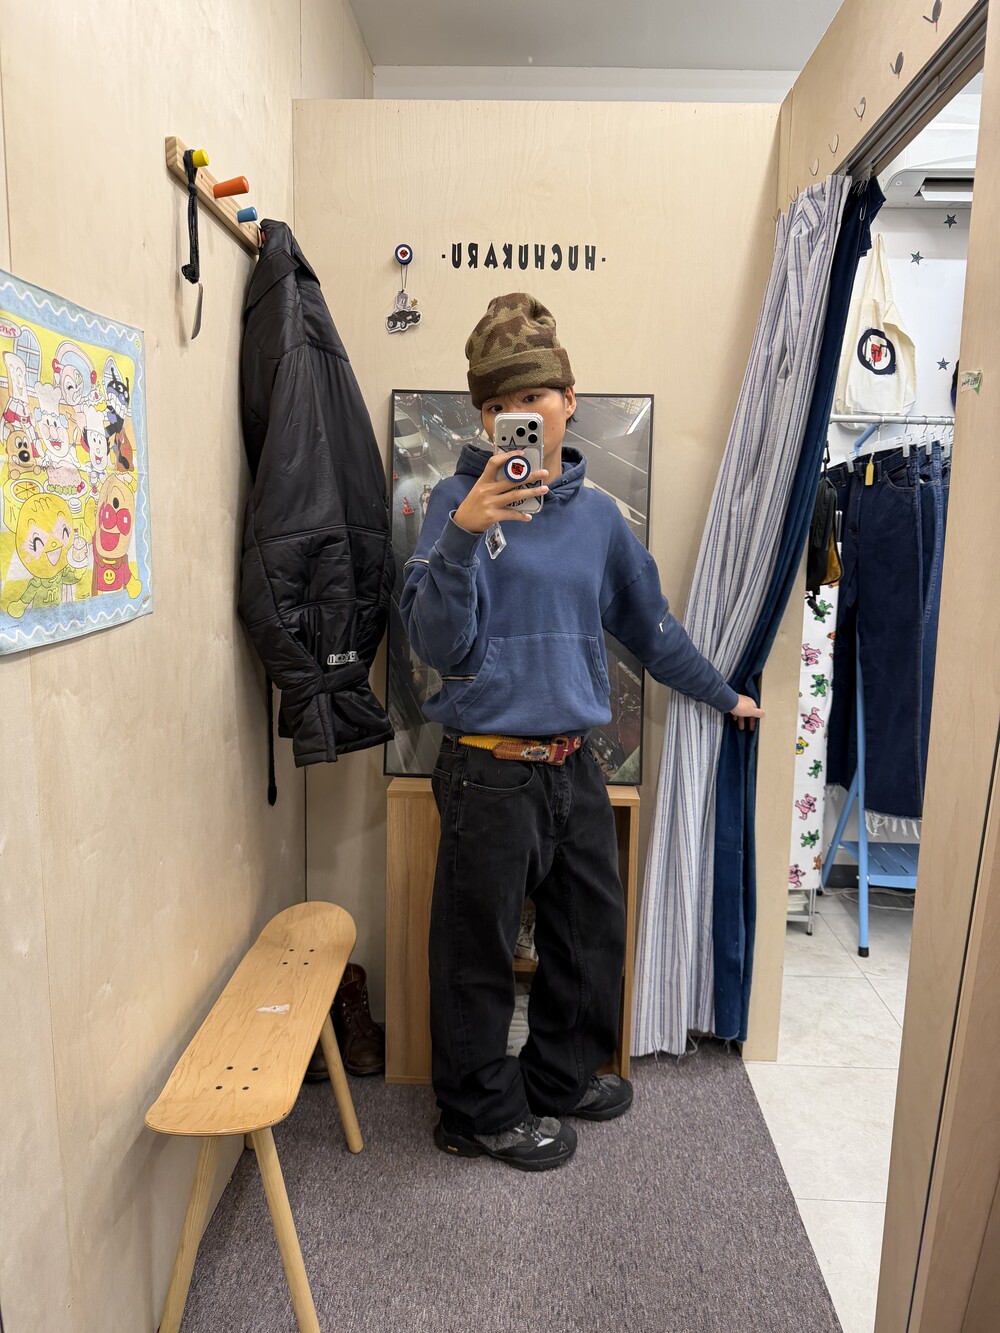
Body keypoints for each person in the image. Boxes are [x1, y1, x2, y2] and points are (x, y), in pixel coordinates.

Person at [400, 293, 762, 1172]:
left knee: (590, 934)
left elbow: (651, 626)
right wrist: (462, 537)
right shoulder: (453, 503)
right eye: (495, 404)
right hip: (487, 769)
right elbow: (434, 645)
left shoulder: (599, 518)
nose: (513, 416)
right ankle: (476, 1112)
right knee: (476, 951)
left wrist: (722, 694)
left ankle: (558, 1077)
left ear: (569, 398)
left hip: (574, 764)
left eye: (531, 397)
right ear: (483, 417)